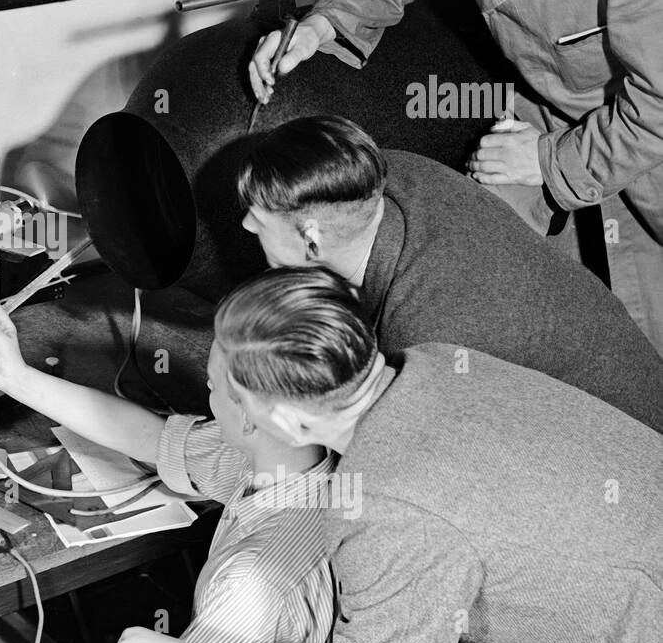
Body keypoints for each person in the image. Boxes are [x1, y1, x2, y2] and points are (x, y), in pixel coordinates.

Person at [248, 0, 663, 353]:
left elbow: (657, 106)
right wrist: (319, 26)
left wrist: (546, 160)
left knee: (645, 341)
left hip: (643, 138)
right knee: (476, 269)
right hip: (551, 115)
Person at [207, 266, 663, 643]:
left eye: (234, 399)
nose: (227, 409)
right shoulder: (436, 361)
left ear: (290, 423)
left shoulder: (389, 515)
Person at [234, 114, 663, 435]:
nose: (247, 227)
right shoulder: (393, 174)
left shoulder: (428, 336)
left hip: (628, 457)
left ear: (313, 238)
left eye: (259, 217)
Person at [0, 301, 337, 643]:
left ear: (250, 418)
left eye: (212, 385)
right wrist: (13, 375)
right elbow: (151, 438)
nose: (207, 394)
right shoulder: (295, 460)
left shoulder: (249, 590)